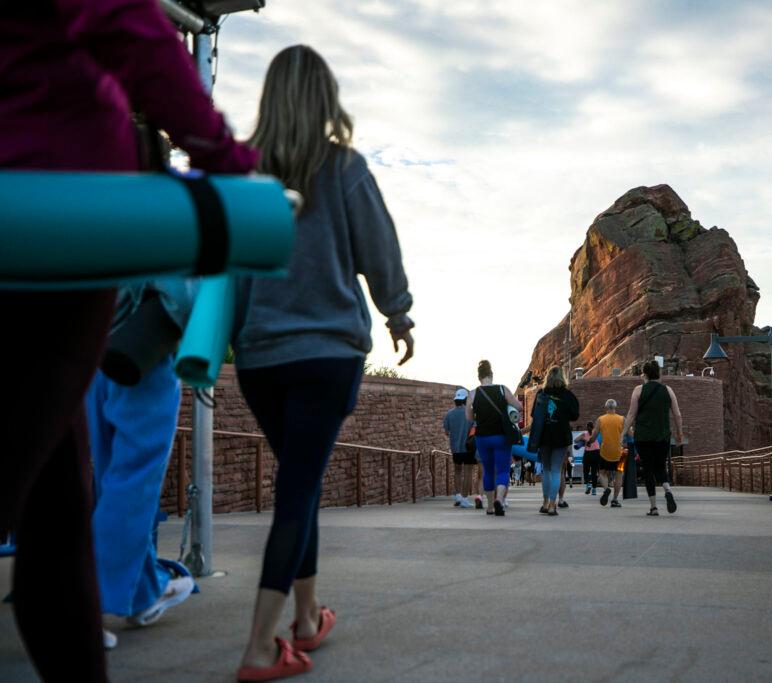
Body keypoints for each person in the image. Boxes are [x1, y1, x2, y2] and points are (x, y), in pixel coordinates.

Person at [0, 3, 257, 680]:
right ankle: (118, 597)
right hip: (61, 238)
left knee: (61, 494)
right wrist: (227, 157)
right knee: (113, 477)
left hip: (82, 298)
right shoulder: (147, 187)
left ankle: (127, 593)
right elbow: (118, 15)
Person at [232, 45, 414, 681]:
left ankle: (307, 620)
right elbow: (379, 251)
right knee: (297, 489)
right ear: (326, 96)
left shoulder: (244, 174)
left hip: (258, 356)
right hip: (327, 353)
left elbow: (225, 264)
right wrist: (399, 314)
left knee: (298, 480)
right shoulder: (345, 169)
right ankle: (259, 648)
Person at [87, 281, 198, 648]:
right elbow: (178, 284)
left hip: (92, 341)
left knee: (111, 479)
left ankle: (143, 593)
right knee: (134, 482)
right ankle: (85, 605)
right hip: (141, 345)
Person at [621, 360, 684, 516]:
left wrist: (622, 434)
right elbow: (677, 414)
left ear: (645, 374)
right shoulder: (668, 390)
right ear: (659, 373)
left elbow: (631, 414)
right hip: (662, 436)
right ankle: (667, 490)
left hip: (643, 437)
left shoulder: (638, 390)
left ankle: (654, 507)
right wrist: (679, 433)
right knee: (660, 466)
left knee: (648, 469)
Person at [466, 360, 522, 516]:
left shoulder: (473, 393)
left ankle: (490, 506)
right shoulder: (502, 390)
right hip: (501, 436)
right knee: (503, 469)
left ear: (479, 377)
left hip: (482, 438)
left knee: (488, 471)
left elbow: (469, 418)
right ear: (491, 375)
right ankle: (499, 500)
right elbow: (519, 407)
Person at [527, 367, 580, 516]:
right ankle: (552, 505)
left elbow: (533, 415)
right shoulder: (568, 395)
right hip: (561, 436)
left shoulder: (541, 394)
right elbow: (575, 415)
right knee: (556, 470)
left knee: (547, 470)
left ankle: (545, 503)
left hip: (543, 436)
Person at [588, 399, 625, 508]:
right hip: (620, 452)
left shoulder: (601, 419)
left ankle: (606, 488)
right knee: (619, 475)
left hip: (605, 451)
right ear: (615, 407)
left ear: (606, 408)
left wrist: (589, 442)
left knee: (602, 473)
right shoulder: (622, 419)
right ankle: (614, 500)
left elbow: (594, 436)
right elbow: (631, 433)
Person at [443, 389, 476, 509]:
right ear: (466, 399)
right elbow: (475, 429)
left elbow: (446, 432)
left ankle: (457, 496)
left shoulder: (449, 414)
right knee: (467, 473)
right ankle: (465, 499)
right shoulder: (471, 413)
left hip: (455, 448)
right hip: (468, 447)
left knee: (457, 471)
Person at [575, 422, 602, 495]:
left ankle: (588, 485)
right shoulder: (596, 433)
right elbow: (600, 443)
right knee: (594, 472)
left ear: (587, 427)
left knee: (586, 471)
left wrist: (583, 441)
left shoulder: (585, 434)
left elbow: (576, 440)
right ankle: (594, 489)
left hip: (588, 453)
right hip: (596, 453)